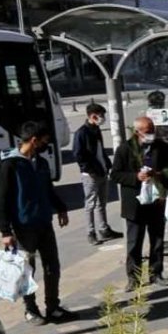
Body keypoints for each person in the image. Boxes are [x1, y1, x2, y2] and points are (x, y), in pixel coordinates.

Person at [0, 121, 76, 325]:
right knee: (27, 269)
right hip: (23, 227)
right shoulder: (10, 165)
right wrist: (5, 231)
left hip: (44, 223)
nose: (46, 144)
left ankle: (53, 307)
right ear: (34, 140)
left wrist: (61, 207)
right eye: (44, 141)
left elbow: (47, 189)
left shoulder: (40, 162)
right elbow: (2, 200)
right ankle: (31, 310)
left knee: (52, 266)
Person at [110, 116, 168, 290]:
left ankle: (156, 273)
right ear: (137, 132)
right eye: (148, 132)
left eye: (153, 130)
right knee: (134, 243)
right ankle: (133, 277)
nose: (151, 135)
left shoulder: (161, 147)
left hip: (155, 201)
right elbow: (115, 174)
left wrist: (160, 177)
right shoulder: (125, 149)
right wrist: (135, 177)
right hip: (135, 203)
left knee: (157, 240)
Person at [73, 103, 121, 246]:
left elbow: (100, 151)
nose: (103, 118)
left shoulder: (96, 130)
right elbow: (78, 154)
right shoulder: (82, 133)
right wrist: (89, 169)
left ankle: (104, 228)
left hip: (101, 171)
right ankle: (90, 232)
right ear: (93, 116)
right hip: (91, 175)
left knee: (102, 203)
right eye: (101, 115)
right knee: (90, 204)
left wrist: (107, 166)